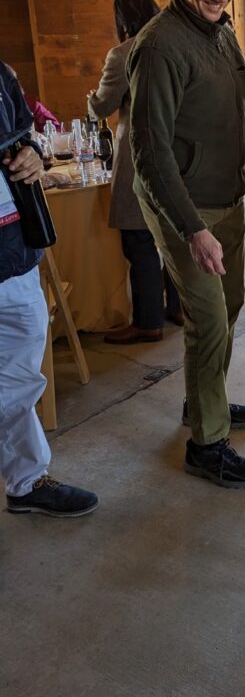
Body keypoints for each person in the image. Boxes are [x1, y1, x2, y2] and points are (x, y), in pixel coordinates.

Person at [128, 0, 245, 489]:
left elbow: (225, 113)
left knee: (231, 305)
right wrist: (192, 229)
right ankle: (207, 443)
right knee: (209, 318)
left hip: (227, 195)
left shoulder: (221, 34)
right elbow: (149, 151)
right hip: (182, 207)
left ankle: (203, 405)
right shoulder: (160, 45)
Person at [0, 61, 98, 517]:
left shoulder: (1, 74)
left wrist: (33, 155)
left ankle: (26, 481)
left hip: (15, 249)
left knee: (20, 379)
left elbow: (26, 135)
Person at [88, 0, 182, 344]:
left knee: (139, 240)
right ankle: (177, 307)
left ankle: (147, 321)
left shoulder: (123, 53)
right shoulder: (175, 43)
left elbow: (102, 105)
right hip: (179, 150)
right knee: (176, 233)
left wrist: (89, 101)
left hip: (140, 153)